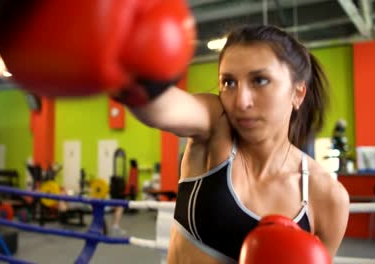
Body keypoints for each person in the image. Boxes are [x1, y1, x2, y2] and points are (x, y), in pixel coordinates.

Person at [126, 24, 350, 263]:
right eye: (229, 83)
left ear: (298, 93)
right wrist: (120, 71)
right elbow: (161, 109)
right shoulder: (216, 125)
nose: (241, 102)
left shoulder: (327, 196)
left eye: (260, 80)